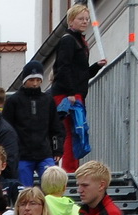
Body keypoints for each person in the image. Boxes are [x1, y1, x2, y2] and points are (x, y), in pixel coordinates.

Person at [48, 5, 99, 168]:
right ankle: (69, 170)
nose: (85, 22)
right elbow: (63, 67)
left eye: (86, 19)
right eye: (81, 19)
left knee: (76, 131)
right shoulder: (68, 40)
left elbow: (80, 74)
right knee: (70, 132)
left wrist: (96, 67)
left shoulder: (78, 41)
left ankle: (71, 168)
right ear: (71, 21)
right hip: (67, 95)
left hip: (74, 93)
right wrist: (70, 93)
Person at [4, 62, 60, 189]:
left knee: (53, 185)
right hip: (22, 156)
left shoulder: (48, 100)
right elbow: (7, 129)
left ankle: (51, 209)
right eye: (31, 80)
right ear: (24, 80)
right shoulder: (13, 101)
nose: (35, 83)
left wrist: (58, 149)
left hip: (44, 153)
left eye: (38, 80)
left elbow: (55, 126)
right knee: (25, 192)